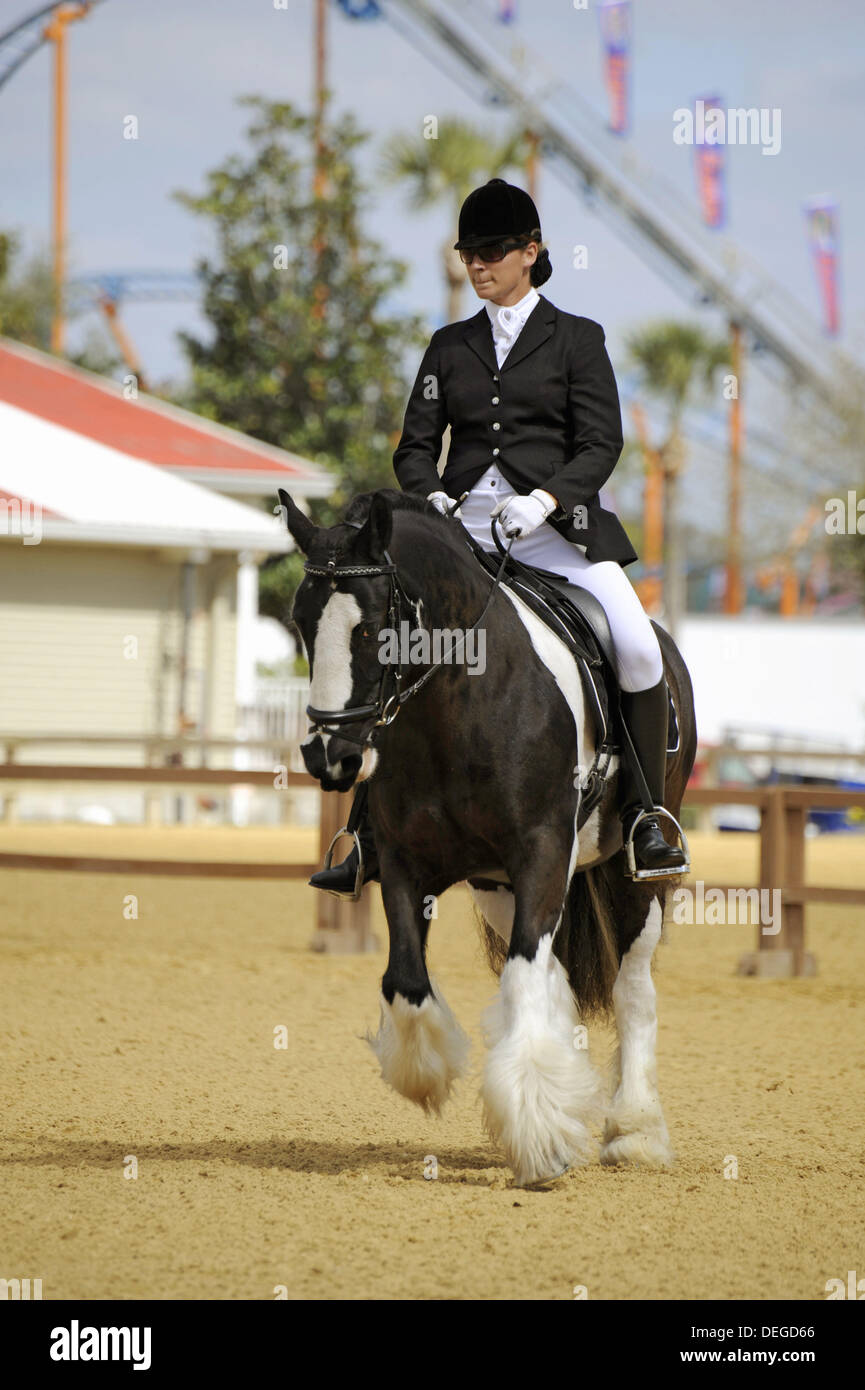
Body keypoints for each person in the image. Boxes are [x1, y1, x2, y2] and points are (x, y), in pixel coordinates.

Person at [310, 177, 686, 896]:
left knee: (637, 646)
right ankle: (364, 831)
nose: (477, 265)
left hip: (556, 533)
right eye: (468, 253)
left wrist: (543, 500)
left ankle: (645, 815)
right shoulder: (447, 346)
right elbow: (415, 447)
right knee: (399, 648)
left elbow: (600, 443)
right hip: (460, 539)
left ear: (530, 252)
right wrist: (437, 499)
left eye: (490, 252)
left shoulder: (577, 339)